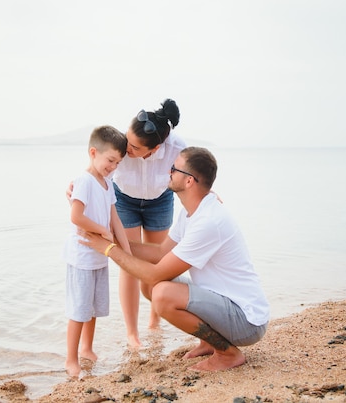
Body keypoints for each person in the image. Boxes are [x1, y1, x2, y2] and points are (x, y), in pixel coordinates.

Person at [79, 147, 270, 371]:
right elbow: (160, 253)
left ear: (189, 181)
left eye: (173, 168)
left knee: (162, 293)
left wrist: (109, 249)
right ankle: (209, 342)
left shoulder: (208, 221)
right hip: (227, 305)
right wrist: (111, 236)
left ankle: (227, 354)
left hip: (246, 321)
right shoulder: (193, 211)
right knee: (151, 286)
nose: (168, 172)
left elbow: (156, 272)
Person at [67, 99, 185, 348]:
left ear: (153, 150)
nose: (126, 148)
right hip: (124, 200)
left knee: (158, 260)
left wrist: (208, 196)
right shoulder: (121, 144)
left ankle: (155, 319)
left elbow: (191, 177)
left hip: (159, 200)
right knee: (128, 262)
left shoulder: (176, 148)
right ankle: (132, 333)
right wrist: (75, 187)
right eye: (127, 140)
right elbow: (97, 168)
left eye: (133, 147)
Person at [62, 125, 132, 377]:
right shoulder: (84, 181)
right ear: (93, 152)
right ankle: (71, 360)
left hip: (99, 257)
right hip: (81, 256)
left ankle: (87, 349)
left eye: (117, 163)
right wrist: (102, 231)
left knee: (92, 308)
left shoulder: (107, 184)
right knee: (79, 310)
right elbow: (76, 216)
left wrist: (126, 253)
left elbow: (116, 220)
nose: (113, 166)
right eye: (110, 160)